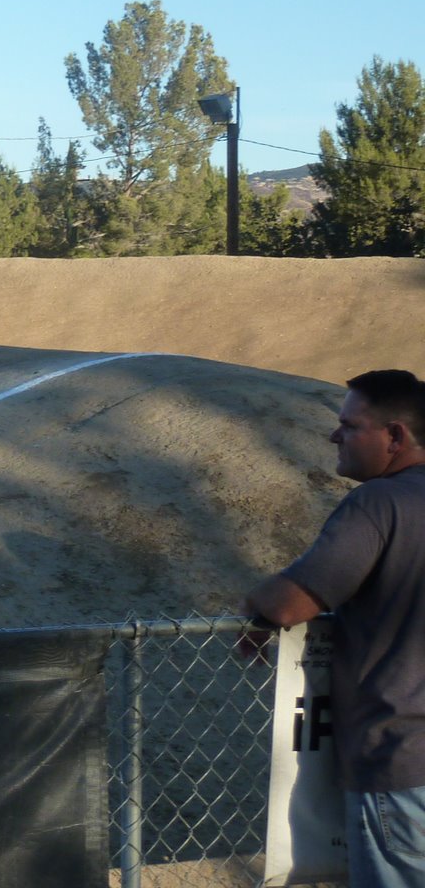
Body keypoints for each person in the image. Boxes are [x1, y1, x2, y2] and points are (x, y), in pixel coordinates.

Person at [244, 369, 425, 888]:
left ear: (395, 436)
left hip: (404, 761)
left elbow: (290, 604)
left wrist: (255, 600)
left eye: (350, 425)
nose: (334, 436)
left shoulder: (380, 503)